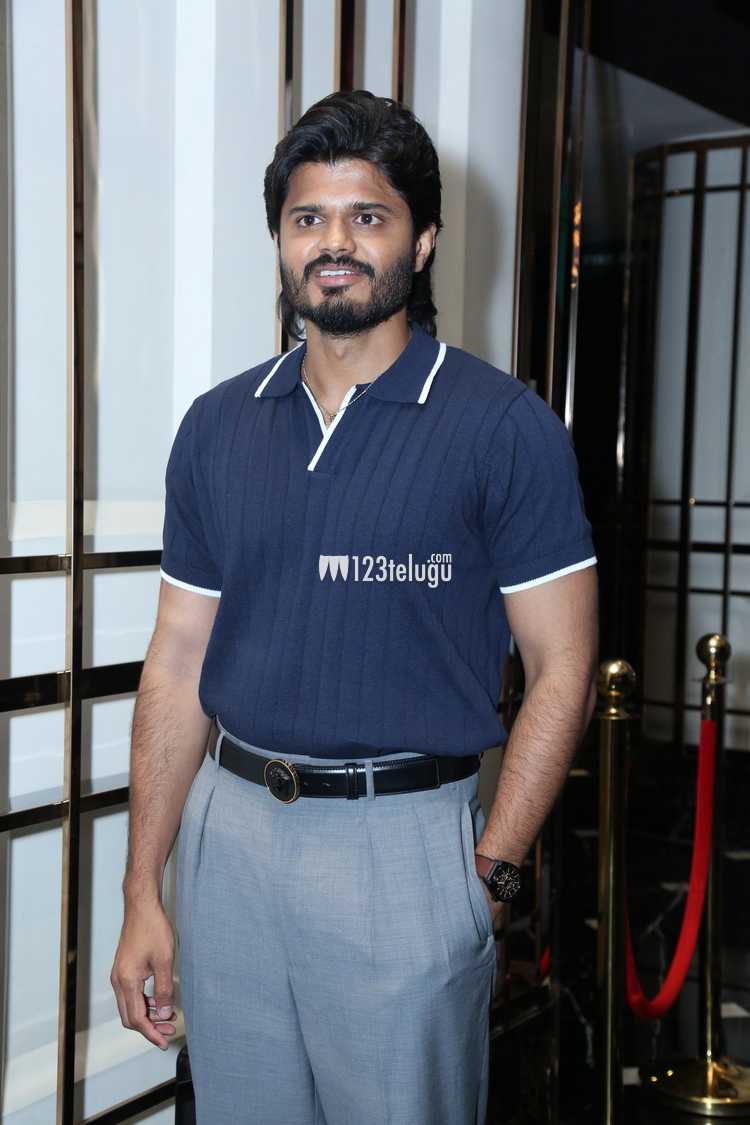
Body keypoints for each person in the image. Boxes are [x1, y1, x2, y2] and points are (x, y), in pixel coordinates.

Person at [110, 89, 598, 1124]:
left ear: (422, 240)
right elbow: (178, 657)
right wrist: (142, 886)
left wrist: (492, 877)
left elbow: (563, 671)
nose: (333, 243)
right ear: (281, 242)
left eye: (366, 216)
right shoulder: (216, 426)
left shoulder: (503, 428)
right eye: (308, 218)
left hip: (403, 852)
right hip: (228, 841)